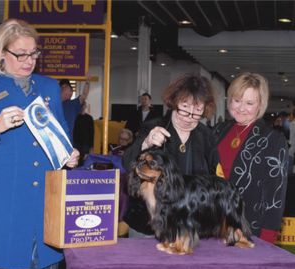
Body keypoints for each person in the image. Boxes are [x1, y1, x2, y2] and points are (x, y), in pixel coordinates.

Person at [0, 19, 79, 269]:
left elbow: (62, 140)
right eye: (21, 54)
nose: (29, 60)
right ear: (2, 54)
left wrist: (69, 155)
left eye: (34, 53)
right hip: (4, 212)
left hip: (45, 209)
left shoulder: (48, 87)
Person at [122, 74, 219, 237]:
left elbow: (213, 178)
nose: (189, 117)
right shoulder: (152, 127)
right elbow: (127, 163)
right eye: (185, 107)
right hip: (148, 227)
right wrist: (146, 144)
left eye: (197, 111)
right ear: (174, 102)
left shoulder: (207, 136)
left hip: (191, 226)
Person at [213, 72, 288, 244]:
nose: (241, 108)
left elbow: (275, 194)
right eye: (237, 100)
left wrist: (267, 238)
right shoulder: (218, 131)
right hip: (211, 224)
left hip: (249, 229)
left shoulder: (273, 139)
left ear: (260, 105)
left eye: (249, 103)